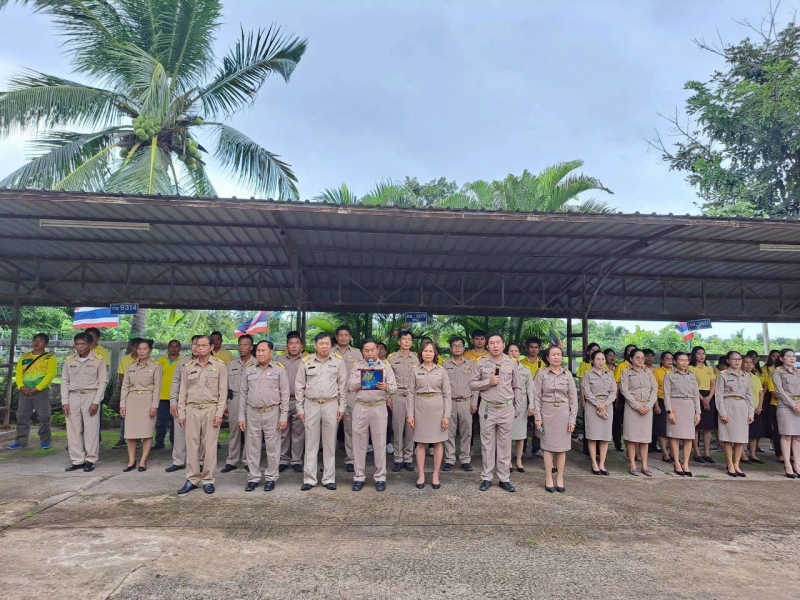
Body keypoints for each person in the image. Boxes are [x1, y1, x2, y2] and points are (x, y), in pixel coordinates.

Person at [470, 332, 522, 493]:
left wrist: (517, 407)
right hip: (488, 408)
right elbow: (472, 384)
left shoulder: (511, 363)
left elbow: (517, 386)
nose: (495, 346)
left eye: (498, 342)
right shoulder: (481, 363)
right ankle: (487, 477)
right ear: (488, 346)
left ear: (503, 345)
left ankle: (504, 478)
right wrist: (488, 382)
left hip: (506, 408)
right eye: (492, 343)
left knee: (505, 445)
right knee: (487, 445)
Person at [297, 332, 348, 491]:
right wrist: (300, 408)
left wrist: (342, 407)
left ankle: (329, 478)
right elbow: (299, 386)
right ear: (315, 345)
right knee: (311, 443)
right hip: (311, 405)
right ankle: (309, 479)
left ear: (331, 345)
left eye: (327, 343)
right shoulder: (306, 361)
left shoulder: (338, 361)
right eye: (321, 343)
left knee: (329, 443)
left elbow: (343, 386)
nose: (324, 346)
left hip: (331, 405)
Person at [177, 336, 227, 495]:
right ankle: (192, 479)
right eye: (197, 345)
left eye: (203, 345)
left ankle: (208, 480)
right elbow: (182, 391)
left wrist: (219, 413)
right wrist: (181, 413)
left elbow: (223, 392)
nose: (199, 348)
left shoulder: (219, 366)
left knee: (210, 446)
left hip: (211, 409)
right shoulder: (188, 366)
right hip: (192, 409)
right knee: (192, 445)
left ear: (211, 347)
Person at [238, 341, 289, 491]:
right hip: (252, 412)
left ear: (271, 352)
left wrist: (283, 416)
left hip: (272, 412)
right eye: (258, 351)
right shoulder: (248, 370)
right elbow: (243, 395)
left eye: (263, 350)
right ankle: (253, 478)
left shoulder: (279, 370)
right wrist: (241, 416)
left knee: (273, 448)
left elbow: (285, 395)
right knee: (252, 447)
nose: (260, 353)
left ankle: (271, 478)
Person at [348, 339, 397, 491]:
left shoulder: (385, 367)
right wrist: (363, 378)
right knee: (359, 444)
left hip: (379, 407)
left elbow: (394, 388)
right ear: (362, 352)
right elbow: (350, 386)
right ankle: (359, 477)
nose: (370, 353)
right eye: (366, 351)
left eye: (372, 350)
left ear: (377, 350)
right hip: (361, 407)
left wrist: (386, 386)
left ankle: (380, 477)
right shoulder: (357, 366)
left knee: (380, 443)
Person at [407, 340, 451, 489]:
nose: (428, 354)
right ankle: (421, 475)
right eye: (425, 351)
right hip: (420, 409)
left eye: (431, 351)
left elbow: (447, 395)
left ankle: (436, 475)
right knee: (420, 443)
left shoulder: (442, 371)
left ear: (435, 354)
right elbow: (410, 393)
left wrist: (446, 416)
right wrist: (410, 414)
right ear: (421, 353)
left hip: (438, 409)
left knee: (438, 443)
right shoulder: (415, 370)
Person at [533, 346, 578, 492]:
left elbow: (573, 399)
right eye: (553, 355)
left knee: (562, 448)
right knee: (547, 447)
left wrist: (572, 419)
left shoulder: (567, 375)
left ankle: (560, 478)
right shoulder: (541, 374)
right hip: (546, 413)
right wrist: (537, 417)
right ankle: (548, 478)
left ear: (562, 357)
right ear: (547, 357)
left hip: (563, 414)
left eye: (559, 354)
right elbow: (536, 397)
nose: (556, 357)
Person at [61, 333, 107, 472]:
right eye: (77, 344)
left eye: (83, 344)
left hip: (90, 395)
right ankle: (77, 460)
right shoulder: (70, 360)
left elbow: (103, 382)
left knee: (91, 429)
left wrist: (96, 401)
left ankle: (90, 460)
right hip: (73, 396)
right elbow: (64, 381)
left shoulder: (98, 360)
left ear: (90, 345)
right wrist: (65, 401)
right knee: (73, 429)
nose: (80, 347)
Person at [9, 333, 57, 450]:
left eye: (40, 340)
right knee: (22, 416)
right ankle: (20, 441)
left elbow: (50, 375)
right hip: (24, 392)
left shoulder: (50, 357)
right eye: (35, 340)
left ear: (46, 344)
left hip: (41, 392)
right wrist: (21, 386)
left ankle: (45, 440)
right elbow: (18, 373)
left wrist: (37, 388)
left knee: (44, 416)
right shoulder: (24, 357)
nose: (37, 342)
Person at [120, 339, 162, 472]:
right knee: (130, 432)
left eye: (145, 349)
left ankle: (143, 461)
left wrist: (154, 406)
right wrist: (122, 404)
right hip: (132, 400)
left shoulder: (156, 366)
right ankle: (131, 460)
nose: (142, 352)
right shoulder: (130, 366)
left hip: (147, 400)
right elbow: (125, 386)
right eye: (139, 349)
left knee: (147, 432)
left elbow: (157, 388)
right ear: (135, 350)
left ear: (150, 350)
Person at [221, 335, 256, 473]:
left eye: (245, 345)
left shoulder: (257, 363)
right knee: (234, 431)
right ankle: (232, 460)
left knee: (250, 432)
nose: (242, 347)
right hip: (235, 399)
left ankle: (248, 461)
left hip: (251, 400)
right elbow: (224, 386)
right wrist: (225, 404)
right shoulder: (231, 364)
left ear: (251, 347)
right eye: (240, 344)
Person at [716, 351, 755, 477]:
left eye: (739, 359)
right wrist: (722, 412)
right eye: (734, 359)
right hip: (728, 405)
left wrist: (751, 413)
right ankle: (730, 464)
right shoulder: (723, 375)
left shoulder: (746, 376)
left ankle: (737, 464)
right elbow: (719, 395)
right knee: (728, 438)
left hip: (742, 407)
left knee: (740, 438)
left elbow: (749, 395)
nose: (737, 361)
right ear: (728, 361)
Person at [165, 335, 201, 472]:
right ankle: (179, 461)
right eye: (194, 344)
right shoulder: (183, 361)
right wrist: (173, 402)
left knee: (200, 434)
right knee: (180, 433)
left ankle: (199, 461)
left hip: (202, 403)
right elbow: (175, 381)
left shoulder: (212, 362)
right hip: (182, 402)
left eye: (199, 344)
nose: (196, 347)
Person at [620, 349, 658, 476]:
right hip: (632, 408)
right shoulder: (626, 372)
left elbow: (654, 389)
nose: (641, 360)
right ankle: (632, 464)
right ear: (631, 359)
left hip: (647, 408)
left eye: (642, 358)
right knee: (632, 437)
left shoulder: (648, 372)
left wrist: (648, 405)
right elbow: (624, 391)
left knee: (644, 438)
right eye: (638, 357)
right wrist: (637, 406)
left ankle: (645, 466)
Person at [664, 352, 701, 476]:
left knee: (688, 436)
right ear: (675, 361)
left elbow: (696, 395)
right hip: (675, 405)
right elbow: (666, 395)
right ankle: (676, 462)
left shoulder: (692, 376)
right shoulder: (669, 376)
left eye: (686, 360)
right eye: (681, 360)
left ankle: (685, 463)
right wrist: (669, 411)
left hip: (689, 406)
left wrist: (698, 412)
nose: (684, 362)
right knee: (674, 436)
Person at [388, 330, 419, 472]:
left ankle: (408, 459)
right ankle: (398, 458)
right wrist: (388, 397)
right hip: (397, 395)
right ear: (399, 341)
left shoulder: (416, 358)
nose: (406, 341)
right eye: (404, 339)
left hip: (412, 397)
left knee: (410, 429)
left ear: (412, 342)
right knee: (398, 428)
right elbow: (387, 378)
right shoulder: (391, 358)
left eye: (409, 339)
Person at [442, 336, 475, 472]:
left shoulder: (470, 364)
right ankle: (449, 459)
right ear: (450, 348)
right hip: (450, 402)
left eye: (460, 345)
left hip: (466, 402)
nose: (457, 348)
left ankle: (465, 459)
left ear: (464, 348)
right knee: (449, 432)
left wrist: (474, 403)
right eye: (454, 345)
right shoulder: (445, 364)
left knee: (466, 432)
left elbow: (474, 385)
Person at [581, 349, 616, 476]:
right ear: (592, 360)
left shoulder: (610, 374)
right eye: (598, 359)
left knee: (604, 436)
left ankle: (602, 463)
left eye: (603, 359)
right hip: (592, 406)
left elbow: (613, 392)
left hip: (607, 405)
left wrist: (604, 405)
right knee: (593, 436)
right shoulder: (587, 374)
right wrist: (598, 405)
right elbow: (587, 392)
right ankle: (594, 463)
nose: (601, 362)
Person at [277, 331, 307, 473]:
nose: (294, 346)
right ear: (287, 346)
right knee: (282, 431)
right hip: (282, 401)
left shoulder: (307, 360)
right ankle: (283, 459)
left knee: (298, 433)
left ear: (301, 346)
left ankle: (296, 460)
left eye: (297, 344)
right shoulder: (279, 359)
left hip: (299, 401)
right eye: (291, 344)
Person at [334, 325, 361, 473]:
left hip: (351, 395)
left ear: (350, 337)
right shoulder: (330, 352)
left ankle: (351, 459)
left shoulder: (357, 353)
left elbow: (363, 373)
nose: (343, 337)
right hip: (333, 395)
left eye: (346, 335)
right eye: (341, 335)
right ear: (336, 337)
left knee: (350, 428)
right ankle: (329, 460)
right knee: (330, 429)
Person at [772, 348, 800, 478]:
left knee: (798, 437)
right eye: (788, 356)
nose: (792, 358)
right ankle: (788, 464)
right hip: (785, 406)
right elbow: (779, 391)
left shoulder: (798, 372)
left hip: (799, 405)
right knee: (787, 436)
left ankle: (797, 464)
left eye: (793, 356)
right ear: (782, 358)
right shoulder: (777, 372)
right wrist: (793, 405)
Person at [507, 343, 533, 473]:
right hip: (507, 403)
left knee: (521, 435)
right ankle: (508, 461)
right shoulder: (503, 368)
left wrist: (531, 405)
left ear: (519, 353)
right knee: (506, 434)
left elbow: (530, 390)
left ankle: (518, 460)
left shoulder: (526, 370)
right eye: (511, 351)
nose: (513, 353)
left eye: (516, 351)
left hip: (522, 404)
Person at [111, 338, 141, 449]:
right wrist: (128, 387)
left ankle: (138, 439)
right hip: (127, 392)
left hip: (142, 393)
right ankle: (123, 439)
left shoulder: (147, 360)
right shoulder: (124, 359)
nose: (137, 349)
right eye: (135, 347)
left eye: (140, 347)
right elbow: (121, 375)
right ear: (131, 347)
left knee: (139, 416)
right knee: (124, 415)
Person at [689, 346, 717, 464]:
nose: (701, 356)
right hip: (696, 396)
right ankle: (696, 452)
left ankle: (706, 452)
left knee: (708, 427)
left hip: (709, 396)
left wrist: (709, 398)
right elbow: (693, 385)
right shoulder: (690, 368)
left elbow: (713, 383)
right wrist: (702, 399)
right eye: (699, 353)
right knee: (696, 426)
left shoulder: (709, 368)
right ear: (694, 355)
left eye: (703, 353)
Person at [521, 336, 546, 458]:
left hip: (538, 399)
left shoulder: (543, 364)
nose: (533, 350)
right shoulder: (521, 363)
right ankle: (522, 449)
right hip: (524, 398)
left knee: (538, 424)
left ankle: (536, 449)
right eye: (531, 347)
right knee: (523, 424)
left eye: (536, 347)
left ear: (539, 349)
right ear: (527, 348)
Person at [154, 340, 182, 450]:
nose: (173, 349)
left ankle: (175, 442)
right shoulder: (159, 361)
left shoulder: (183, 361)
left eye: (176, 346)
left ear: (179, 348)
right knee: (161, 422)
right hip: (162, 396)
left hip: (177, 397)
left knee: (176, 422)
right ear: (168, 347)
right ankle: (159, 442)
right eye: (171, 346)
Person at [612, 345, 637, 451]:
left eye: (633, 350)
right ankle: (619, 444)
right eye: (629, 351)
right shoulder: (622, 366)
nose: (631, 352)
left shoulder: (642, 366)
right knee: (620, 422)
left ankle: (635, 449)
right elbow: (617, 383)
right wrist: (617, 399)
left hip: (637, 397)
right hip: (622, 396)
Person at [743, 352, 765, 464]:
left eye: (751, 363)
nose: (748, 365)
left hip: (756, 409)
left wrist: (760, 406)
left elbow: (761, 393)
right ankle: (741, 454)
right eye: (746, 362)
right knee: (742, 433)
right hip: (743, 409)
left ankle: (752, 454)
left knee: (754, 433)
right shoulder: (740, 377)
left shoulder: (755, 378)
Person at [652, 352, 674, 462]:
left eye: (672, 358)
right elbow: (654, 389)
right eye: (667, 358)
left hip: (674, 402)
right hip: (661, 401)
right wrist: (656, 405)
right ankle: (664, 453)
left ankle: (673, 453)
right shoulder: (657, 372)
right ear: (662, 360)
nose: (670, 361)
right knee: (662, 429)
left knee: (673, 428)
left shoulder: (676, 371)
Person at [764, 349, 783, 460]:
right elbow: (773, 392)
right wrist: (789, 399)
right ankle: (779, 453)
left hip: (792, 406)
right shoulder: (773, 374)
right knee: (778, 430)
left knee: (792, 432)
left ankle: (791, 453)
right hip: (776, 405)